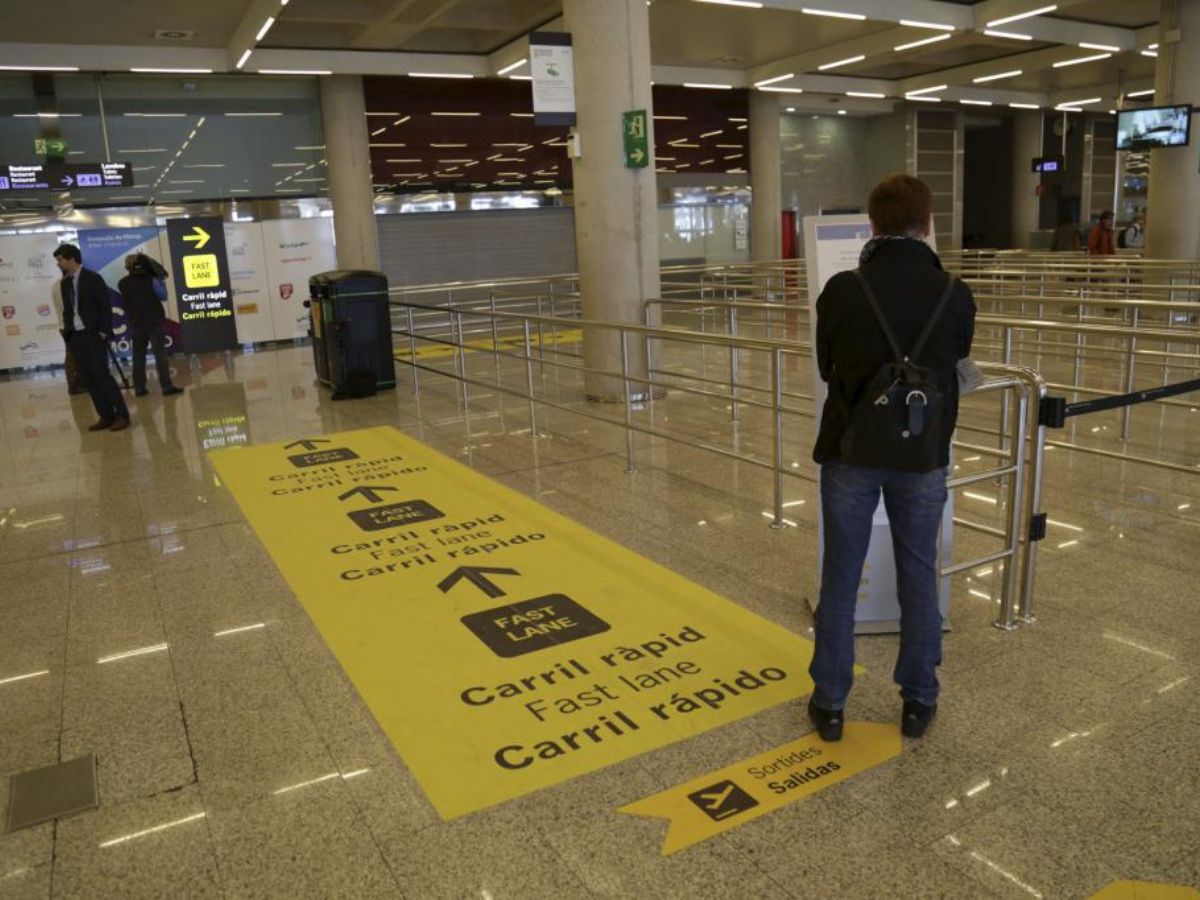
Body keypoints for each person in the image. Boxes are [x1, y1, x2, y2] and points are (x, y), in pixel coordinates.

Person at [808, 174, 975, 742]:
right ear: (926, 225)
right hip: (924, 455)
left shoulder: (842, 289)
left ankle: (830, 702)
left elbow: (828, 368)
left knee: (840, 577)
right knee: (919, 575)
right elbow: (954, 368)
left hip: (852, 451)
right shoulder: (955, 293)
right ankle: (918, 698)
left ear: (872, 224)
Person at [52, 244, 130, 432]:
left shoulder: (92, 278)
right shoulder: (64, 283)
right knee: (88, 378)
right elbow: (67, 310)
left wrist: (103, 332)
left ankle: (121, 415)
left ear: (71, 259)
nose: (59, 264)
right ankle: (105, 415)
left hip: (93, 334)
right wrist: (69, 333)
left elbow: (104, 306)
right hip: (76, 336)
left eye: (60, 260)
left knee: (101, 375)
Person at [118, 253, 183, 397]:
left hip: (136, 323)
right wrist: (160, 279)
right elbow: (164, 296)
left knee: (138, 356)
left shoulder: (122, 283)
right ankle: (166, 387)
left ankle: (140, 388)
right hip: (154, 321)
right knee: (160, 354)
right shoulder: (152, 280)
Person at [50, 276, 88, 394]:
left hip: (65, 325)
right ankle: (75, 385)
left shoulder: (57, 284)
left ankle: (75, 383)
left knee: (72, 354)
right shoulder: (68, 284)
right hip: (71, 325)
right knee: (74, 355)